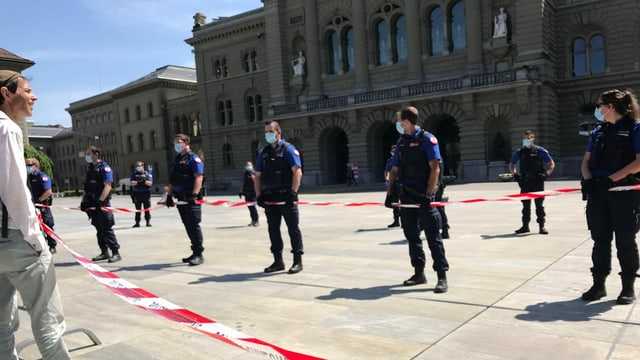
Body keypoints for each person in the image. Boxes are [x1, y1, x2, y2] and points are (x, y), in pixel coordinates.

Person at [0, 70, 71, 359]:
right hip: (17, 240)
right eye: (27, 90)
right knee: (48, 322)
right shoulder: (6, 129)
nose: (34, 96)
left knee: (2, 327)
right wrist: (35, 241)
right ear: (6, 93)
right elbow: (15, 191)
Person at [580, 88, 640, 305]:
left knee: (625, 241)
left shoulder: (635, 129)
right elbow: (586, 160)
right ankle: (599, 285)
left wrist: (611, 179)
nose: (598, 109)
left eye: (600, 105)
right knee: (600, 240)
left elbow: (638, 162)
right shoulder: (599, 132)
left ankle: (627, 288)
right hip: (598, 194)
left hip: (623, 193)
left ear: (610, 107)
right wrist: (588, 181)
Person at [385, 106, 449, 292]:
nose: (397, 123)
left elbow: (435, 167)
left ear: (405, 121)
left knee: (433, 237)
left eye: (399, 120)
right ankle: (419, 272)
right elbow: (395, 169)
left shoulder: (427, 139)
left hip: (423, 195)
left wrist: (429, 195)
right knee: (412, 237)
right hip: (407, 196)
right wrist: (389, 194)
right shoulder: (401, 142)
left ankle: (442, 276)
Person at [254, 121, 304, 274]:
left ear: (278, 132)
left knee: (293, 229)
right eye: (266, 132)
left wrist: (293, 192)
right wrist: (259, 195)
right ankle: (278, 261)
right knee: (273, 230)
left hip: (286, 196)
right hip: (270, 197)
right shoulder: (264, 152)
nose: (268, 135)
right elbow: (257, 175)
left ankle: (297, 261)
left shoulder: (288, 149)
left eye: (270, 131)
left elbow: (297, 171)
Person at [166, 134, 205, 266]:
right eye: (175, 142)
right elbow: (173, 179)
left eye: (179, 142)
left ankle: (199, 254)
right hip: (181, 198)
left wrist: (194, 194)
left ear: (186, 143)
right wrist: (169, 195)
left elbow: (198, 177)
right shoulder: (177, 159)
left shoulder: (193, 159)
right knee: (187, 225)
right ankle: (194, 252)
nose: (176, 144)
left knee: (194, 225)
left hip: (190, 198)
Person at [509, 130, 555, 235]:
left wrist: (546, 174)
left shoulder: (540, 151)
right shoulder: (519, 152)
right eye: (525, 138)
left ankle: (541, 226)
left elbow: (551, 163)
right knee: (525, 206)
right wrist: (515, 175)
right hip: (525, 182)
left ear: (533, 139)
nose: (527, 140)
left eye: (529, 138)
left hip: (537, 181)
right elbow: (511, 164)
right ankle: (525, 226)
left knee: (539, 205)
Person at [81, 145, 122, 263]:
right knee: (99, 229)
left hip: (102, 203)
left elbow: (108, 186)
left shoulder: (104, 168)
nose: (87, 156)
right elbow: (86, 187)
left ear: (96, 154)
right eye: (86, 154)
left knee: (107, 228)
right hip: (91, 203)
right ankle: (104, 252)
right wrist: (83, 201)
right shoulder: (90, 169)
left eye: (89, 154)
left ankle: (115, 252)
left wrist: (101, 200)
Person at [26, 157, 57, 253]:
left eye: (29, 165)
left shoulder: (41, 176)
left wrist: (38, 200)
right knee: (34, 226)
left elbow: (48, 191)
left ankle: (52, 245)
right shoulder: (27, 178)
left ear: (35, 166)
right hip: (32, 206)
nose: (27, 167)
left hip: (42, 206)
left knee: (47, 225)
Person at [130, 161, 153, 227]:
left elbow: (150, 183)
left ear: (143, 166)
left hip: (146, 193)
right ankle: (137, 222)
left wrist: (144, 181)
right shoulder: (134, 174)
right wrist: (139, 182)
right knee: (137, 209)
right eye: (137, 166)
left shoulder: (147, 174)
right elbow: (132, 183)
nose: (137, 168)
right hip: (137, 193)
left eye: (139, 166)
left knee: (147, 208)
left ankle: (148, 221)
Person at [239, 161, 259, 226]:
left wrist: (253, 177)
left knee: (253, 206)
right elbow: (243, 182)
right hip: (247, 192)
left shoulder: (253, 172)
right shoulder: (245, 173)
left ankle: (256, 220)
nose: (248, 167)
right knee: (249, 207)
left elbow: (256, 182)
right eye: (247, 165)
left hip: (252, 192)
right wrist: (241, 191)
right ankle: (252, 220)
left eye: (249, 165)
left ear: (252, 166)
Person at [384, 145, 400, 228]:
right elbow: (387, 171)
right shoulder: (390, 160)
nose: (393, 153)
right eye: (392, 151)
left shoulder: (401, 159)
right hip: (392, 183)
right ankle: (396, 220)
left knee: (405, 202)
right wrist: (387, 181)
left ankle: (403, 218)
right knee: (392, 202)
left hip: (400, 182)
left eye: (395, 151)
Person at [435, 160, 450, 239]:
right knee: (439, 208)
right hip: (438, 185)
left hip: (436, 186)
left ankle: (445, 228)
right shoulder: (438, 158)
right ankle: (444, 228)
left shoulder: (436, 158)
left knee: (439, 208)